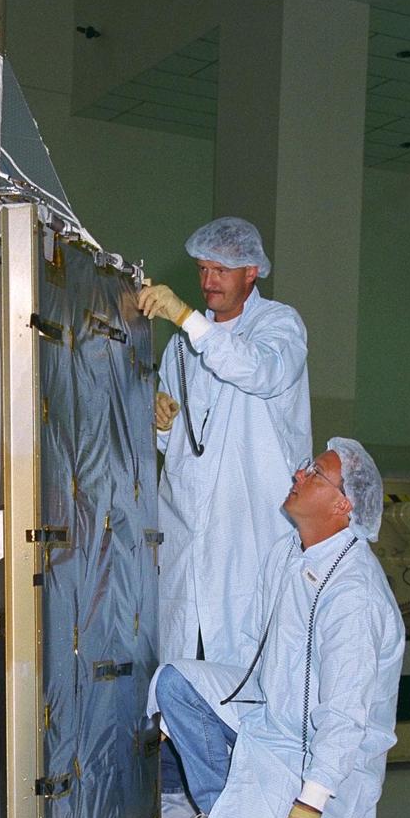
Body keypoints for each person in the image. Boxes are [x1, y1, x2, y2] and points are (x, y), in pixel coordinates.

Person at [146, 438, 405, 818]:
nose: (298, 476)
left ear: (343, 505)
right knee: (176, 683)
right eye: (307, 467)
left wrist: (308, 810)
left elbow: (346, 718)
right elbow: (257, 651)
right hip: (274, 717)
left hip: (325, 763)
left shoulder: (353, 594)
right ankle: (219, 809)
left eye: (315, 474)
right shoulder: (290, 553)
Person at [137, 216, 311, 665]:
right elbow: (181, 449)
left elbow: (258, 371)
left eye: (221, 270)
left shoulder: (279, 326)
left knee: (245, 667)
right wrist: (162, 424)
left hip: (249, 532)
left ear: (251, 271)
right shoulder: (181, 348)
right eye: (202, 270)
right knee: (183, 670)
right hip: (187, 536)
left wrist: (186, 318)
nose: (208, 282)